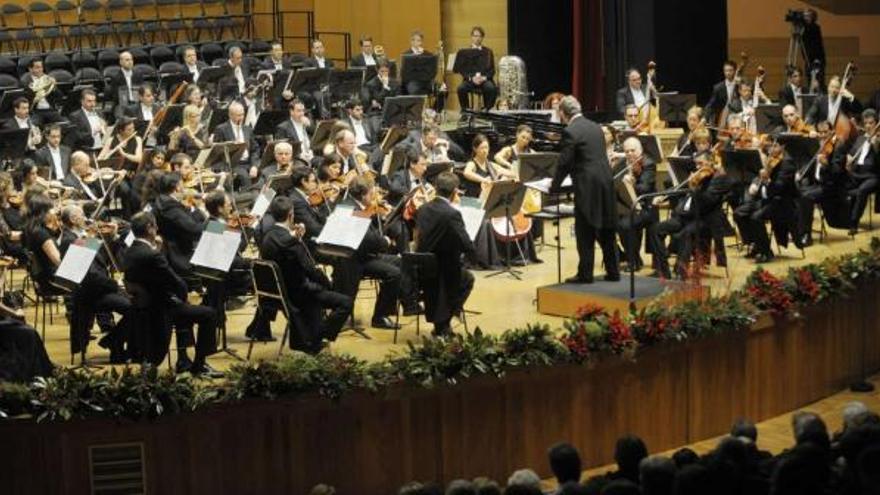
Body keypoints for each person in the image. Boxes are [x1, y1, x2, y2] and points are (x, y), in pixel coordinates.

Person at [124, 211, 219, 375]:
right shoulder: (152, 255)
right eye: (155, 225)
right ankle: (199, 365)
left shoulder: (129, 252)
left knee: (184, 309)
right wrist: (184, 296)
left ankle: (183, 359)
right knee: (209, 314)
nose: (158, 228)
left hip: (144, 307)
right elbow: (178, 283)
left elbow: (157, 277)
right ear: (149, 228)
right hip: (162, 309)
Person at [260, 195, 352, 353]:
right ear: (291, 215)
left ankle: (310, 336)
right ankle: (318, 336)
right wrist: (328, 284)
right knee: (345, 302)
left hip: (279, 294)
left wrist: (296, 238)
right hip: (300, 294)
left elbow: (285, 250)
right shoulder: (292, 243)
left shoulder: (267, 237)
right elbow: (312, 270)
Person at [551, 95, 619, 283]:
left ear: (563, 113)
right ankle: (613, 272)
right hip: (606, 180)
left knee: (584, 229)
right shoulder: (595, 127)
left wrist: (554, 186)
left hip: (587, 184)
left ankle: (585, 274)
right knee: (607, 228)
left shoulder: (570, 131)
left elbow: (565, 162)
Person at [414, 171, 475, 336]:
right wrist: (474, 253)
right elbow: (465, 243)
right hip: (443, 268)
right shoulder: (452, 214)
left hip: (422, 266)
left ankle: (443, 323)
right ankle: (445, 321)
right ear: (455, 191)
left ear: (435, 188)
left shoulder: (423, 209)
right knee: (467, 278)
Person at [211, 101, 260, 190]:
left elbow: (255, 149)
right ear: (230, 115)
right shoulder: (221, 129)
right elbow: (217, 153)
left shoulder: (247, 129)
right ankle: (247, 199)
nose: (241, 118)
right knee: (244, 177)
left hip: (248, 162)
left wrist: (254, 166)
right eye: (238, 115)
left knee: (264, 173)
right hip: (233, 164)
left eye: (242, 114)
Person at [845, 108, 879, 234]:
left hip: (873, 176)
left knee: (862, 190)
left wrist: (876, 146)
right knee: (840, 185)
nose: (869, 126)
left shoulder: (878, 139)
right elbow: (852, 153)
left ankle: (853, 223)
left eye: (871, 123)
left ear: (876, 123)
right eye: (866, 123)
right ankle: (843, 218)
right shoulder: (860, 138)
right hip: (856, 174)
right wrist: (848, 159)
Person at [456, 26, 497, 110]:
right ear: (471, 37)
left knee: (491, 88)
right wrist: (471, 78)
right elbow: (462, 70)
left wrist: (484, 78)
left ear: (482, 38)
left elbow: (492, 70)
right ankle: (466, 111)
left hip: (484, 80)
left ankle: (487, 110)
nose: (477, 38)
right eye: (475, 36)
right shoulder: (465, 52)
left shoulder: (488, 52)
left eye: (479, 36)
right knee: (461, 89)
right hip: (470, 79)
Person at [705, 60, 739, 126]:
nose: (728, 73)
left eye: (730, 70)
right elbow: (711, 104)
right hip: (722, 117)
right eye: (726, 71)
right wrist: (705, 118)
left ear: (735, 71)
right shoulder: (718, 87)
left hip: (737, 116)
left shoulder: (739, 85)